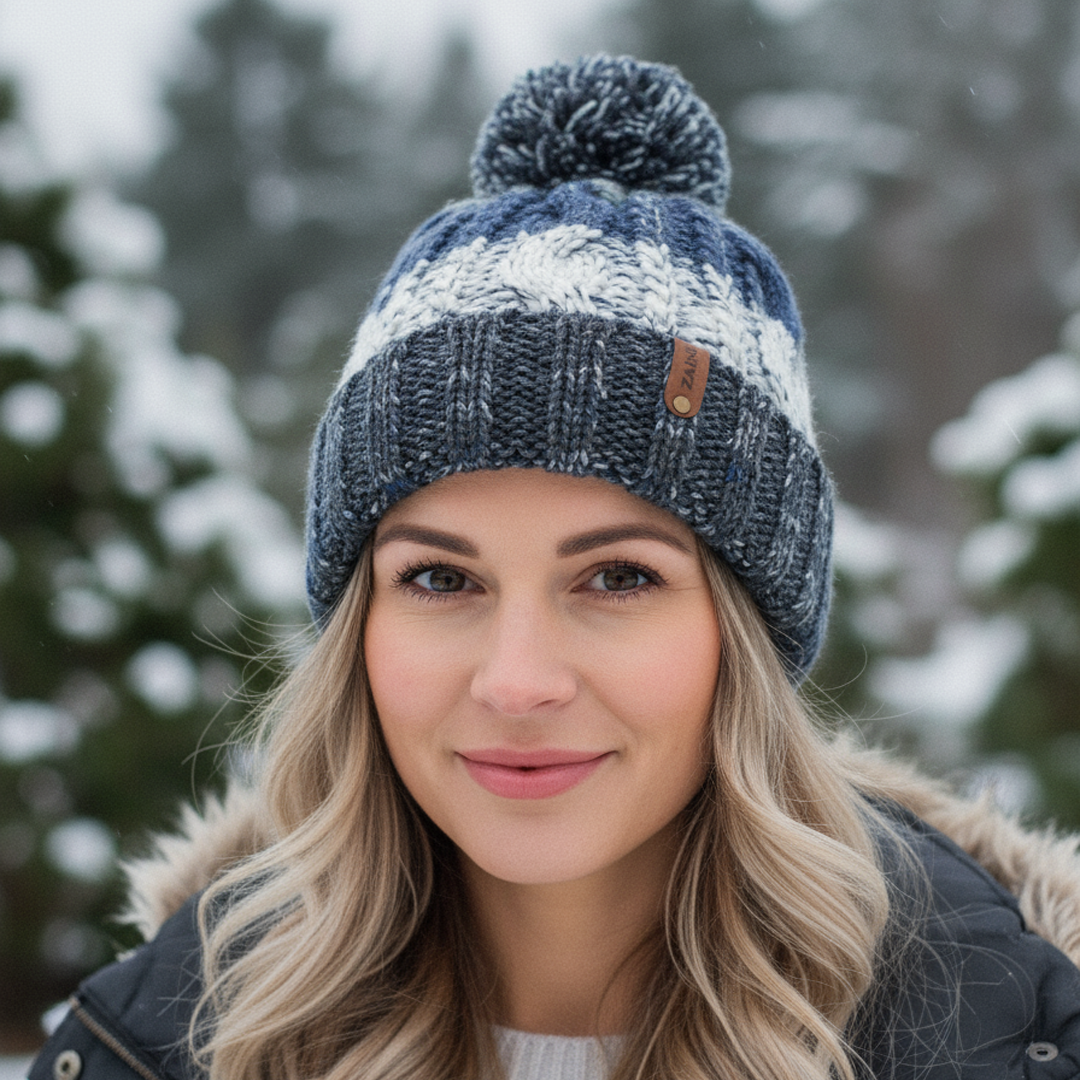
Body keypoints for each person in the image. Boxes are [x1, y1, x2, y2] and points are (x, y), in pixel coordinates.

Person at [29, 55, 1080, 1080]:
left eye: (618, 577)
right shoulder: (162, 1045)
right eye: (442, 580)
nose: (517, 681)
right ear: (360, 627)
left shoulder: (994, 1041)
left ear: (744, 629)